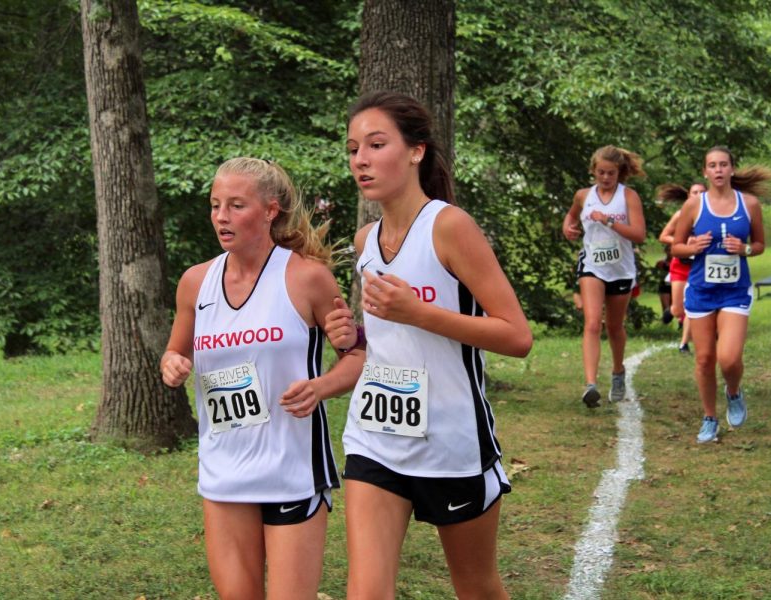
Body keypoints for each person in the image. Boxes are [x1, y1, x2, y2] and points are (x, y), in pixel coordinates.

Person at [325, 91, 532, 599]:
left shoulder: (449, 226)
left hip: (451, 442)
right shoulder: (364, 242)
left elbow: (517, 336)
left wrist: (420, 313)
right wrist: (349, 337)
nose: (361, 160)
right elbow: (386, 336)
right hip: (375, 434)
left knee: (476, 587)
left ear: (416, 151)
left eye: (376, 144)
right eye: (353, 149)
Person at [159, 157, 365, 599]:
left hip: (291, 470)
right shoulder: (196, 283)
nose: (221, 217)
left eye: (236, 205)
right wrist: (173, 364)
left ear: (270, 210)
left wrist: (320, 387)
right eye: (215, 205)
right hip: (225, 472)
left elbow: (357, 355)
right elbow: (176, 350)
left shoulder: (306, 278)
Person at [671, 146, 771, 443]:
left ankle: (733, 391)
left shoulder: (750, 204)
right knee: (704, 359)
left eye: (723, 165)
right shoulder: (694, 206)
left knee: (728, 359)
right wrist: (693, 247)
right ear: (705, 171)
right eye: (712, 165)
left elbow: (761, 244)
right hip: (702, 290)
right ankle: (709, 418)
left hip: (734, 292)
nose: (717, 170)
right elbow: (676, 247)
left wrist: (746, 249)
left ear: (731, 169)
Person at [562, 145, 647, 407]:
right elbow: (571, 217)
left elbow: (639, 235)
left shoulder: (628, 196)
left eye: (611, 173)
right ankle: (590, 385)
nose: (606, 178)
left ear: (619, 173)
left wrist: (609, 221)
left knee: (614, 326)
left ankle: (618, 371)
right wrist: (568, 227)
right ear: (593, 171)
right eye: (601, 172)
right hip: (592, 266)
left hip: (620, 268)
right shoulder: (583, 196)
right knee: (591, 323)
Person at [658, 182, 708, 353]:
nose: (698, 195)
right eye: (695, 192)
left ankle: (684, 343)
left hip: (700, 265)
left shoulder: (712, 215)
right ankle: (671, 310)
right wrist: (683, 242)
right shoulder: (681, 215)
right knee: (679, 308)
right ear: (689, 196)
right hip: (681, 264)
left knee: (692, 305)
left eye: (702, 192)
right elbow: (664, 236)